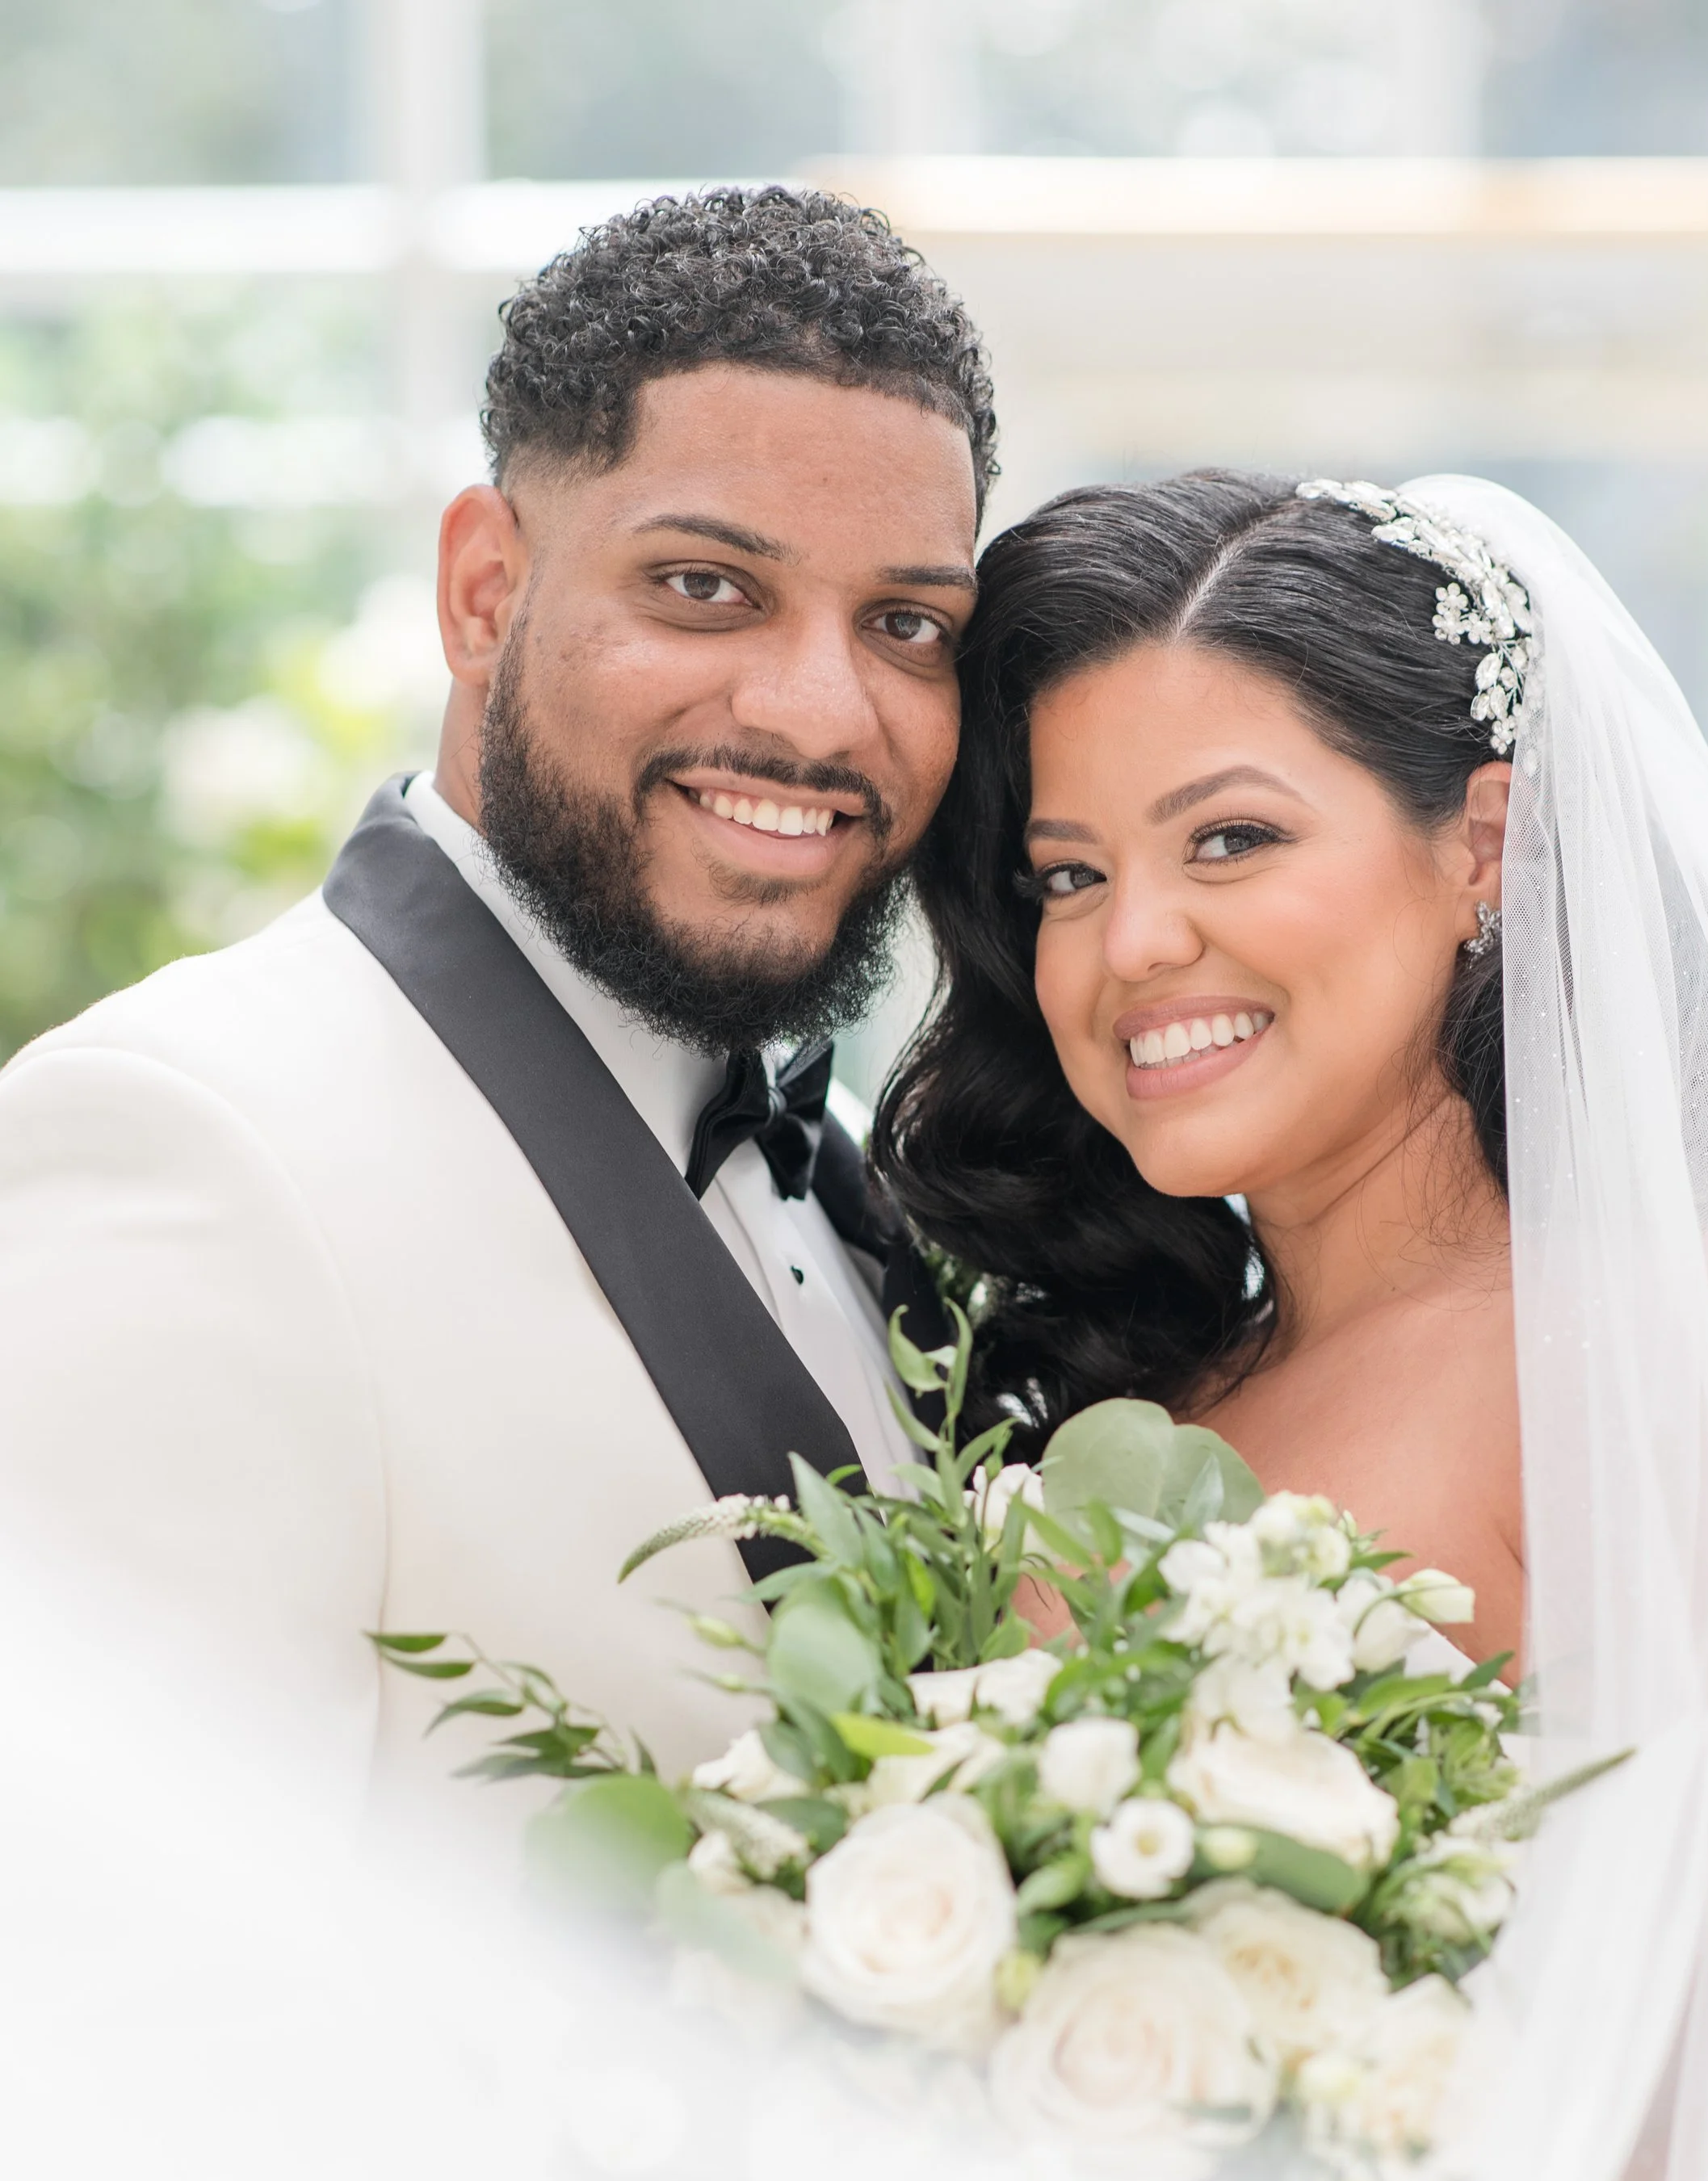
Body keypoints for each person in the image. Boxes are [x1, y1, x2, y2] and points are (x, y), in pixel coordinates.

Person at [882, 467, 1708, 2181]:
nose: (1134, 942)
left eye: (1230, 840)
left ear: (1478, 845)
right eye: (1070, 876)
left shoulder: (1671, 1365)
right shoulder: (1147, 1396)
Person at [0, 187, 991, 1839]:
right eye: (704, 587)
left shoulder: (848, 1180)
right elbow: (104, 2011)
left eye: (905, 625)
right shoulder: (183, 1141)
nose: (821, 710)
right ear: (479, 593)